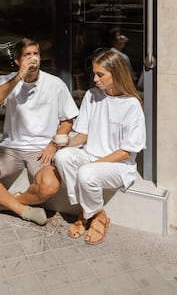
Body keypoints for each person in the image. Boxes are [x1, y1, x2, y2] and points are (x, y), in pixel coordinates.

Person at [0, 37, 79, 226]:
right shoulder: (7, 81)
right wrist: (19, 76)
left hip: (41, 149)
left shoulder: (55, 84)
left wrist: (53, 145)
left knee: (50, 186)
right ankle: (22, 210)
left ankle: (6, 202)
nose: (33, 58)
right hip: (10, 148)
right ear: (18, 60)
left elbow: (68, 120)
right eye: (27, 55)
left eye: (36, 54)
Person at [54, 48, 146, 244]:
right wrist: (66, 142)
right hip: (90, 155)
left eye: (100, 74)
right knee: (62, 157)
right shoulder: (91, 95)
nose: (95, 79)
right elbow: (84, 134)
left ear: (116, 74)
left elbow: (126, 151)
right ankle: (96, 212)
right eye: (94, 74)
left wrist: (93, 165)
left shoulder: (131, 105)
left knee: (86, 173)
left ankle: (87, 215)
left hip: (119, 166)